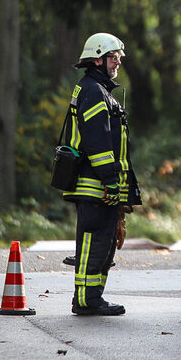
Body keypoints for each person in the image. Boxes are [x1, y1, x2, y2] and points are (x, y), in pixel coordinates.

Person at [63, 33, 141, 316]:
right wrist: (109, 179)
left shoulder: (97, 90)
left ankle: (92, 297)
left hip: (102, 185)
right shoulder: (94, 91)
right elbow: (97, 141)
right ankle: (86, 300)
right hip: (96, 185)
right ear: (98, 59)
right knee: (94, 243)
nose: (118, 61)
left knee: (104, 245)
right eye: (113, 57)